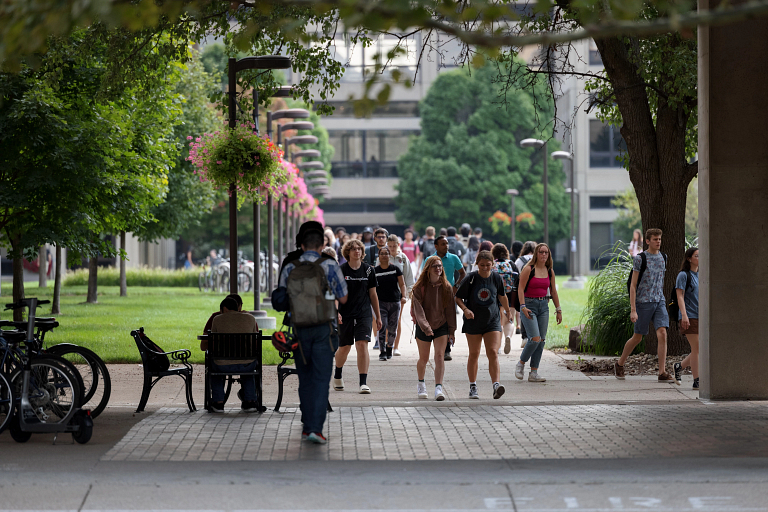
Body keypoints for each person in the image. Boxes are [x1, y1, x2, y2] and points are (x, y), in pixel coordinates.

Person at [279, 224, 348, 444]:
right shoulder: (329, 264)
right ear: (322, 244)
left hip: (299, 330)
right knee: (321, 379)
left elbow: (280, 299)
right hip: (323, 330)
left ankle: (307, 423)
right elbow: (344, 297)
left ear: (301, 244)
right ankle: (315, 429)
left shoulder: (290, 266)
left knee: (305, 378)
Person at [614, 228, 674, 382]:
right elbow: (633, 285)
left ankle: (662, 372)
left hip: (659, 300)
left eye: (659, 239)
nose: (658, 242)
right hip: (643, 302)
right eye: (655, 239)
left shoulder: (664, 257)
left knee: (662, 333)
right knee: (637, 337)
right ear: (647, 241)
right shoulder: (641, 259)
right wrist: (633, 309)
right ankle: (620, 364)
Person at [455, 250, 510, 400]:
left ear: (493, 264)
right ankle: (473, 386)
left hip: (492, 320)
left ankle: (496, 386)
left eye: (488, 265)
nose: (485, 267)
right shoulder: (471, 278)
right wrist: (465, 310)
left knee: (492, 351)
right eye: (482, 265)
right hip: (473, 321)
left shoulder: (496, 278)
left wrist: (507, 311)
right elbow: (458, 298)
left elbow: (501, 295)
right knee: (474, 353)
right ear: (477, 264)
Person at [335, 239, 382, 394]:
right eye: (353, 249)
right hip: (345, 314)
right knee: (344, 348)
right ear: (347, 252)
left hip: (363, 314)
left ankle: (363, 382)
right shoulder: (341, 270)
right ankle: (337, 373)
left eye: (359, 249)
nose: (357, 251)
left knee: (362, 344)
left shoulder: (369, 270)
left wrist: (378, 316)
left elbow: (373, 295)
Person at [515, 243, 563, 383]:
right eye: (541, 252)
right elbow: (520, 289)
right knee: (534, 338)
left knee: (541, 340)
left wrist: (558, 309)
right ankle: (521, 363)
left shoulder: (549, 271)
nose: (543, 255)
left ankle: (533, 372)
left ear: (549, 255)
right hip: (529, 306)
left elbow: (553, 291)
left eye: (546, 253)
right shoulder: (528, 269)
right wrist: (523, 306)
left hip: (544, 306)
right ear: (536, 253)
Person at [412, 255, 457, 400]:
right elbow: (418, 311)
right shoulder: (420, 288)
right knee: (424, 359)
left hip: (441, 326)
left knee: (439, 356)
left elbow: (450, 310)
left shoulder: (446, 287)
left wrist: (452, 331)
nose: (438, 269)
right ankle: (421, 384)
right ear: (428, 269)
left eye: (440, 266)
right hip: (424, 326)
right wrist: (426, 327)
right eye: (435, 266)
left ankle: (438, 388)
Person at [207, 296, 260, 413]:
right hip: (247, 365)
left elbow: (213, 342)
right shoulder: (251, 318)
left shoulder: (217, 319)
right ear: (238, 307)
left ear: (224, 308)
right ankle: (250, 400)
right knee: (247, 367)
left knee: (213, 365)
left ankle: (218, 402)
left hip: (222, 365)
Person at [420, 236, 466, 361]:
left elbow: (463, 273)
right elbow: (423, 275)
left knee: (448, 318)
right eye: (443, 244)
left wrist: (456, 286)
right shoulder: (430, 259)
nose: (446, 246)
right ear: (436, 246)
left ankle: (447, 348)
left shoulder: (453, 258)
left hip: (448, 294)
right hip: (433, 294)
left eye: (446, 244)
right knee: (434, 317)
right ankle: (433, 344)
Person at [673, 247, 700, 389]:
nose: (699, 258)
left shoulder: (701, 275)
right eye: (697, 256)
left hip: (701, 315)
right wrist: (684, 315)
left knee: (699, 348)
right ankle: (697, 380)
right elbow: (680, 296)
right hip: (689, 316)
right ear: (689, 258)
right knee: (697, 349)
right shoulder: (683, 275)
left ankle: (679, 366)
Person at [374, 247, 407, 361]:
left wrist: (404, 296)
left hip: (395, 302)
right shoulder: (375, 271)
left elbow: (402, 284)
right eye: (381, 253)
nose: (384, 255)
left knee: (393, 327)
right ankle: (382, 351)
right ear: (379, 256)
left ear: (389, 255)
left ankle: (389, 347)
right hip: (381, 302)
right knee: (382, 326)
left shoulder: (395, 269)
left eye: (386, 253)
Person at [386, 234, 415, 356]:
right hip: (384, 293)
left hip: (398, 294)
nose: (392, 248)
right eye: (390, 246)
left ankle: (395, 347)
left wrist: (408, 293)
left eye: (394, 246)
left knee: (396, 320)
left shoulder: (402, 258)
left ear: (398, 245)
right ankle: (387, 345)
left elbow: (408, 277)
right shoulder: (383, 256)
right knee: (385, 321)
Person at [491, 243, 518, 354]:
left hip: (495, 296)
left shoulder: (492, 265)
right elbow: (518, 278)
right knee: (509, 320)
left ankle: (498, 347)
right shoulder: (511, 264)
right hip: (510, 295)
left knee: (498, 322)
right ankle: (508, 337)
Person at [515, 241, 537, 347]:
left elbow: (516, 275)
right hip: (536, 290)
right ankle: (535, 336)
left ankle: (525, 337)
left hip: (524, 290)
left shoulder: (519, 260)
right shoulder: (537, 258)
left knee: (524, 311)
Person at [510, 241, 524, 335]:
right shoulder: (522, 259)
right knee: (519, 306)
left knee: (513, 306)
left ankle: (513, 323)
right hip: (521, 284)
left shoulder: (511, 258)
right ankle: (519, 325)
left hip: (512, 285)